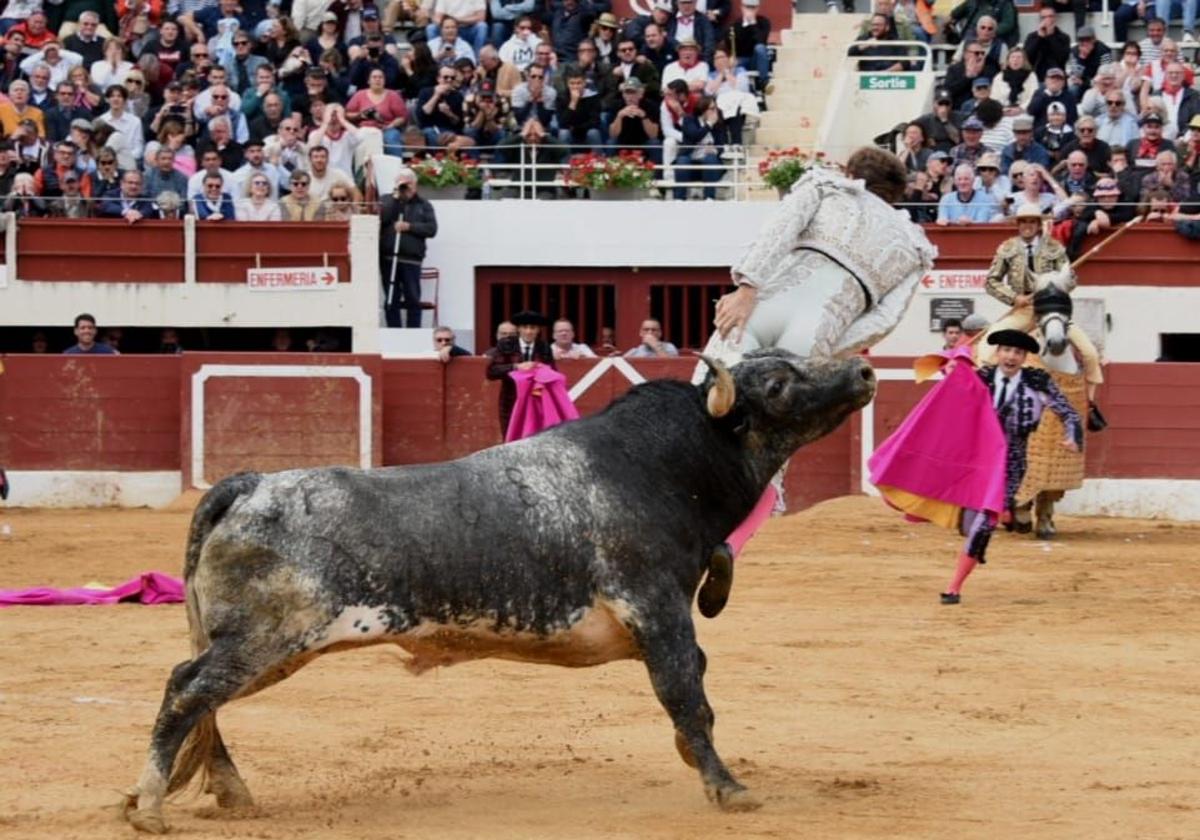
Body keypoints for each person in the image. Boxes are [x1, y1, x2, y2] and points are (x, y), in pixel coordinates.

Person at [982, 203, 1104, 404]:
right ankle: (987, 395)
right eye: (1023, 222)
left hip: (1052, 308)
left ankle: (1090, 404)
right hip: (1024, 309)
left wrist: (1060, 282)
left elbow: (1072, 282)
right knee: (987, 346)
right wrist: (1014, 298)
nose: (1027, 226)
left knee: (1089, 352)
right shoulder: (1007, 248)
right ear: (1018, 224)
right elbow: (991, 281)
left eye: (1032, 221)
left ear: (1039, 224)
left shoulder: (1054, 248)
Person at [379, 168, 438, 328]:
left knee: (413, 297)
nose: (406, 187)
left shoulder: (423, 205)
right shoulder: (386, 200)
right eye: (402, 183)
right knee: (391, 297)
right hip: (389, 259)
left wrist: (409, 226)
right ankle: (394, 330)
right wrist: (396, 197)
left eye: (408, 183)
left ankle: (414, 332)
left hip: (412, 260)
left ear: (415, 184)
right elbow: (382, 218)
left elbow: (431, 229)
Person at [485, 309, 555, 437]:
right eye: (525, 327)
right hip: (511, 400)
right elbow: (491, 372)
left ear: (538, 330)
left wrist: (542, 371)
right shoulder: (506, 344)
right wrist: (516, 367)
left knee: (534, 437)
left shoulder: (544, 347)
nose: (529, 331)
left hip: (535, 401)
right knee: (511, 437)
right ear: (518, 329)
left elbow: (553, 373)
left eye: (533, 327)